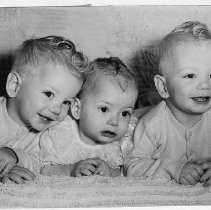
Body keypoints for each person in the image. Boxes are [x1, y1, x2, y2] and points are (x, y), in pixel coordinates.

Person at [124, 21, 211, 187]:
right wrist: (174, 169)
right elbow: (132, 166)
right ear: (163, 86)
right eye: (190, 75)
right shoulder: (152, 124)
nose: (205, 85)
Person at [0, 35, 89, 183]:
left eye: (66, 102)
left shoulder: (47, 134)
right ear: (14, 85)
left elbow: (39, 165)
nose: (57, 109)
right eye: (49, 94)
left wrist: (14, 161)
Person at [39, 57, 139, 177]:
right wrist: (70, 170)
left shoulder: (121, 143)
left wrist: (111, 172)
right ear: (77, 109)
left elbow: (126, 173)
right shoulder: (59, 133)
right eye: (104, 109)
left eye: (124, 113)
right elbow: (43, 169)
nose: (115, 122)